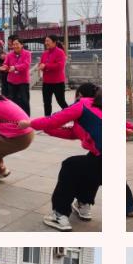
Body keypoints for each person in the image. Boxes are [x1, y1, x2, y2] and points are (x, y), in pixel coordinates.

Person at [21, 84, 101, 230]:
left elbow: (54, 119)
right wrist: (47, 129)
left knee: (70, 166)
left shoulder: (82, 104)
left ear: (79, 94)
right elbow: (73, 132)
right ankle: (83, 204)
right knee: (88, 165)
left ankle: (59, 214)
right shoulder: (97, 108)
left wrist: (30, 123)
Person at [1, 35, 31, 115]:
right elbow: (5, 64)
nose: (15, 46)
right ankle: (14, 117)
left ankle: (26, 117)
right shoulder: (9, 55)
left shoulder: (27, 53)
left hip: (23, 82)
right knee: (12, 101)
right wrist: (4, 67)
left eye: (17, 44)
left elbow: (26, 65)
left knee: (24, 101)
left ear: (22, 45)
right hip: (11, 82)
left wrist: (15, 68)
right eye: (13, 44)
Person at [39, 34, 68, 117]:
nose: (46, 43)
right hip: (46, 82)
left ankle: (71, 116)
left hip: (58, 82)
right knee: (47, 103)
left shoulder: (60, 52)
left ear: (54, 42)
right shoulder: (44, 53)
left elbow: (60, 66)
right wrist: (41, 67)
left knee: (61, 101)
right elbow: (41, 64)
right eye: (45, 41)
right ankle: (47, 119)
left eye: (48, 41)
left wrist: (46, 66)